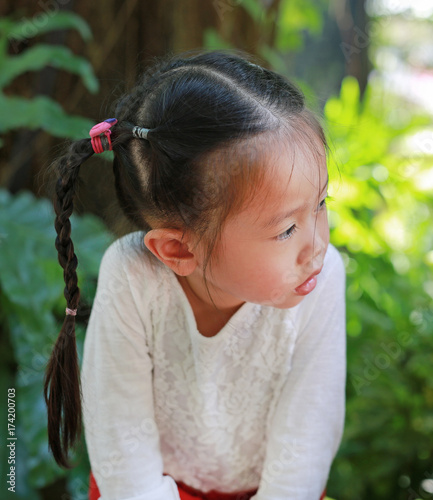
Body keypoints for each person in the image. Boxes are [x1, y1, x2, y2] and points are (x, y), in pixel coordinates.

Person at [44, 51, 346, 500]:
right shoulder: (132, 279)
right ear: (179, 249)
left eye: (320, 204)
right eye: (286, 229)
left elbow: (309, 433)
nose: (317, 245)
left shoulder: (322, 275)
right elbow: (120, 440)